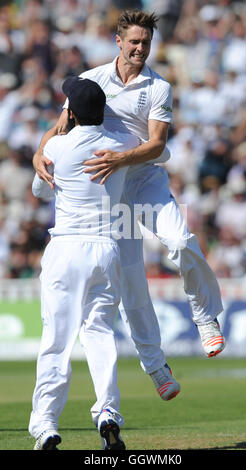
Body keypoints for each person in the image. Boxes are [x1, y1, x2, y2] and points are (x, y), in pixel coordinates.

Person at [33, 9, 225, 401]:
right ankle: (157, 368)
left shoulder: (159, 87)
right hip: (112, 189)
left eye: (146, 42)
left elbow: (156, 144)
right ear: (118, 42)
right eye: (134, 42)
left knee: (182, 240)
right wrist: (40, 152)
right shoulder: (92, 79)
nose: (140, 48)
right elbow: (60, 127)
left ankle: (205, 316)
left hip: (144, 177)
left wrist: (121, 158)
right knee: (131, 282)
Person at [29, 76, 141, 450]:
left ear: (71, 113)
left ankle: (45, 424)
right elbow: (156, 149)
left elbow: (39, 188)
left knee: (57, 339)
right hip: (105, 250)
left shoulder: (58, 146)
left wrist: (47, 142)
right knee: (99, 334)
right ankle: (107, 412)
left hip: (66, 249)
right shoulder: (121, 143)